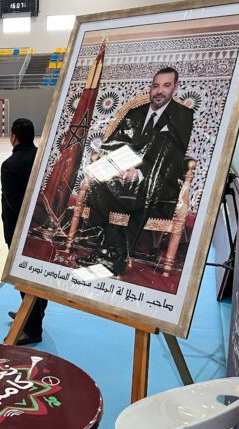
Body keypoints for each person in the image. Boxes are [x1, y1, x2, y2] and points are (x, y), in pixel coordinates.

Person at [81, 67, 195, 274]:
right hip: (123, 174)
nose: (159, 91)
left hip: (156, 178)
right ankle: (104, 249)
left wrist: (140, 173)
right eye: (155, 85)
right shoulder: (136, 112)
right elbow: (113, 143)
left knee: (141, 193)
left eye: (166, 85)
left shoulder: (183, 115)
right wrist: (118, 167)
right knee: (98, 183)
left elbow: (172, 154)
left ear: (175, 87)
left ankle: (115, 259)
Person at [1, 118, 47, 345]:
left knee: (25, 277)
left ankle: (32, 329)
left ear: (14, 137)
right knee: (39, 275)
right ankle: (31, 314)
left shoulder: (9, 165)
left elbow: (14, 203)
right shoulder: (42, 158)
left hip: (20, 230)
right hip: (43, 227)